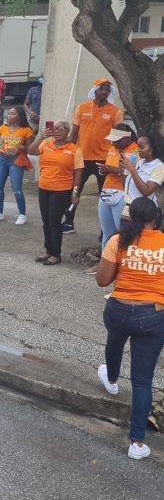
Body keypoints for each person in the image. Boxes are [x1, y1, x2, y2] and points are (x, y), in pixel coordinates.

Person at [94, 198, 164, 461]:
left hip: (119, 310)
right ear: (155, 218)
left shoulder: (118, 240)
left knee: (115, 340)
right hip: (153, 315)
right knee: (142, 380)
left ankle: (111, 380)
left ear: (130, 217)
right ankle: (136, 443)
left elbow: (102, 280)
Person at [62, 79, 125, 234]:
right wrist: (69, 152)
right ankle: (68, 223)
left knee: (106, 195)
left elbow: (118, 137)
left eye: (107, 90)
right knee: (75, 190)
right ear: (95, 91)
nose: (104, 92)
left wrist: (116, 160)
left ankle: (106, 230)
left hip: (104, 161)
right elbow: (73, 134)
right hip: (81, 158)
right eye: (101, 89)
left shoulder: (115, 112)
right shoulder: (81, 108)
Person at [28, 121, 83, 266]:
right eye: (54, 129)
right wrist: (40, 137)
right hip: (44, 187)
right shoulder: (46, 145)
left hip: (61, 190)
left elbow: (78, 173)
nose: (56, 131)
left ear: (67, 132)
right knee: (46, 221)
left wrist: (75, 193)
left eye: (60, 129)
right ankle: (48, 250)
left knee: (54, 221)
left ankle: (56, 254)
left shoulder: (74, 149)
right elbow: (31, 151)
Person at [94, 125, 140, 255]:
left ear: (127, 138)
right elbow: (111, 167)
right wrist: (103, 170)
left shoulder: (136, 151)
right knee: (107, 233)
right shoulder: (113, 148)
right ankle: (105, 263)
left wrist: (111, 170)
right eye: (112, 140)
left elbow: (132, 171)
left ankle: (121, 266)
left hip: (123, 194)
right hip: (107, 191)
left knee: (122, 233)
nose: (113, 143)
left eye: (117, 140)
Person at [0, 107, 34, 225]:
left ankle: (22, 214)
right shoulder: (3, 128)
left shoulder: (26, 130)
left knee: (16, 189)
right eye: (10, 113)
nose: (10, 115)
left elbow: (31, 148)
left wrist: (20, 148)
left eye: (13, 113)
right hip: (2, 159)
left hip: (16, 160)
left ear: (19, 116)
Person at [120, 133, 164, 221]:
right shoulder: (139, 162)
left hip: (143, 213)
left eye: (142, 147)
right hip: (128, 210)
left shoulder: (159, 166)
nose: (138, 150)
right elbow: (125, 185)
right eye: (137, 147)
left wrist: (133, 170)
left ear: (152, 149)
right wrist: (125, 170)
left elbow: (147, 191)